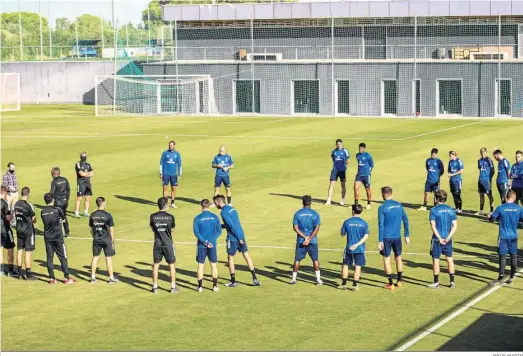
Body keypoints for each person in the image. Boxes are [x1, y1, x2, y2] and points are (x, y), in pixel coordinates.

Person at [214, 195, 260, 287]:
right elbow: (234, 223)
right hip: (241, 234)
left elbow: (231, 226)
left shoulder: (223, 212)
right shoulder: (232, 208)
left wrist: (238, 238)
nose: (215, 205)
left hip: (233, 238)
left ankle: (233, 281)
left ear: (219, 202)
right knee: (247, 256)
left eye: (215, 203)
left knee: (230, 258)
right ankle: (255, 278)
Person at [488, 190, 523, 285]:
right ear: (514, 198)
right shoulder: (519, 208)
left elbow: (492, 220)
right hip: (514, 236)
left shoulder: (500, 208)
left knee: (502, 256)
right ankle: (511, 277)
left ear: (506, 197)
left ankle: (501, 278)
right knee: (513, 256)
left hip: (503, 236)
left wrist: (489, 216)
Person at [378, 186, 410, 290]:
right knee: (398, 257)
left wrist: (380, 240)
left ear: (383, 194)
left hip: (386, 237)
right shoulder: (399, 205)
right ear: (391, 194)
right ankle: (400, 280)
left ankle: (391, 283)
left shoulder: (382, 208)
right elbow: (405, 220)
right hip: (397, 237)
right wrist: (406, 234)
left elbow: (381, 225)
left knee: (386, 259)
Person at [41, 193, 76, 284]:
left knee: (49, 258)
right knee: (63, 257)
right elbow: (64, 220)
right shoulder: (57, 209)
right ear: (53, 200)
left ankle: (52, 278)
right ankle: (66, 278)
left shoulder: (43, 211)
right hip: (58, 237)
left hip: (48, 237)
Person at [427, 190, 457, 289]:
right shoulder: (451, 210)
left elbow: (433, 226)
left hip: (437, 240)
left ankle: (436, 282)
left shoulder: (434, 210)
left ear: (436, 199)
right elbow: (455, 225)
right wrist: (448, 237)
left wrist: (439, 238)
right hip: (448, 239)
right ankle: (452, 281)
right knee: (449, 259)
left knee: (436, 260)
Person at [292, 195, 323, 285]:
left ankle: (294, 279)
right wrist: (309, 238)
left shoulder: (297, 213)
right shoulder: (315, 214)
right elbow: (317, 228)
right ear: (311, 202)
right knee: (315, 260)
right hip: (312, 241)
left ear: (303, 202)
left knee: (297, 260)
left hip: (301, 240)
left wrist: (304, 237)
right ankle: (318, 279)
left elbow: (295, 228)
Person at [150, 197, 178, 294]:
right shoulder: (170, 217)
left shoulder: (152, 216)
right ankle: (173, 287)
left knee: (156, 265)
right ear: (165, 205)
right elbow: (173, 229)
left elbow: (153, 228)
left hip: (157, 243)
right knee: (171, 265)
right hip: (168, 243)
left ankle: (154, 287)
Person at [193, 199, 222, 292]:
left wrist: (205, 241)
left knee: (200, 266)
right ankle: (215, 286)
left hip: (201, 245)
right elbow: (219, 231)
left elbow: (196, 232)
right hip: (212, 245)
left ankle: (200, 287)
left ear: (201, 206)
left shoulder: (197, 218)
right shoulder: (215, 217)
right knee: (213, 265)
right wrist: (210, 241)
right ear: (209, 206)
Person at [89, 197, 118, 284]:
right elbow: (111, 230)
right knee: (108, 258)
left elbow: (91, 229)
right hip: (106, 239)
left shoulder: (92, 215)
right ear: (103, 203)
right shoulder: (108, 215)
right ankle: (111, 278)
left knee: (95, 257)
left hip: (96, 239)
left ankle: (93, 277)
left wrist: (94, 236)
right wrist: (112, 241)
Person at [340, 204, 368, 291]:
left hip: (349, 248)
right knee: (358, 266)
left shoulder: (347, 222)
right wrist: (357, 244)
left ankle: (344, 284)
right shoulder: (364, 223)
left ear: (352, 211)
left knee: (345, 265)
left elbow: (342, 234)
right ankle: (354, 285)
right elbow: (365, 236)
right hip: (360, 249)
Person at [13, 187, 36, 280]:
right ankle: (28, 273)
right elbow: (34, 219)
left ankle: (19, 273)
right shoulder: (29, 205)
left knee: (19, 250)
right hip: (28, 231)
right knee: (28, 251)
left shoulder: (16, 204)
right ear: (28, 194)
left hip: (19, 229)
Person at [325, 139, 350, 206]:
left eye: (339, 144)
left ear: (341, 144)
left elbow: (348, 161)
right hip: (335, 170)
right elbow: (333, 158)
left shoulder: (345, 151)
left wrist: (342, 164)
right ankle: (329, 199)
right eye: (337, 144)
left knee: (343, 185)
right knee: (331, 184)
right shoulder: (334, 151)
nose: (338, 145)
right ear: (336, 145)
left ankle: (342, 200)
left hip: (342, 171)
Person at [160, 141, 182, 209]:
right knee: (165, 188)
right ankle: (165, 204)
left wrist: (180, 174)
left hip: (173, 174)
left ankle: (172, 202)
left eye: (172, 145)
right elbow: (161, 163)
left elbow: (179, 164)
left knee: (173, 188)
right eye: (169, 145)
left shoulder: (177, 154)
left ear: (174, 146)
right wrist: (161, 173)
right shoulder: (165, 153)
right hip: (166, 174)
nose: (170, 146)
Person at [50, 167, 71, 237]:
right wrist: (67, 199)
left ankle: (57, 232)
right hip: (65, 201)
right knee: (64, 216)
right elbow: (68, 190)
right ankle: (67, 231)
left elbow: (52, 193)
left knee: (56, 217)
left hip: (57, 202)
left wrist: (51, 202)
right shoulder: (65, 180)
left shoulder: (54, 182)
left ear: (53, 174)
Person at [1, 186, 17, 277]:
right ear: (4, 193)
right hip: (4, 228)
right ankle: (10, 270)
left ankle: (1, 269)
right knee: (10, 248)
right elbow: (9, 218)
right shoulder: (4, 203)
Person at [475, 147, 495, 216]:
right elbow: (480, 169)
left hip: (487, 180)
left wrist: (489, 179)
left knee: (489, 195)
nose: (483, 155)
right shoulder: (479, 161)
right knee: (481, 195)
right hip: (480, 180)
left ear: (486, 152)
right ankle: (481, 210)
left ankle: (491, 211)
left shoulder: (489, 160)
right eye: (481, 154)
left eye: (484, 153)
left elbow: (493, 171)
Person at [354, 143, 374, 210]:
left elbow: (371, 165)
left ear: (364, 149)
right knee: (356, 188)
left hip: (366, 175)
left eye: (362, 148)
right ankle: (356, 204)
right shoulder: (357, 155)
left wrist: (368, 172)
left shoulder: (368, 156)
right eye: (359, 148)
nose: (360, 150)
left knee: (367, 189)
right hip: (359, 175)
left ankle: (368, 203)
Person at [74, 152, 94, 218]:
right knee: (79, 197)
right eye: (83, 156)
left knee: (88, 197)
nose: (84, 157)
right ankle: (76, 212)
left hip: (87, 183)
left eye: (85, 156)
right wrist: (87, 174)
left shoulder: (88, 164)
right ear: (81, 157)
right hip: (81, 183)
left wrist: (85, 173)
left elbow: (92, 173)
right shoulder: (78, 164)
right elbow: (81, 174)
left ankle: (86, 212)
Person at [2, 162, 19, 226]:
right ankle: (8, 222)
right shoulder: (5, 175)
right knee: (8, 209)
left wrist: (16, 190)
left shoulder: (14, 174)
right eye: (12, 168)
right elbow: (4, 185)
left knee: (14, 208)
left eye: (14, 168)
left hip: (16, 194)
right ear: (9, 168)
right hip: (9, 194)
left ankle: (13, 221)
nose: (13, 169)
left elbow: (15, 184)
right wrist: (10, 189)